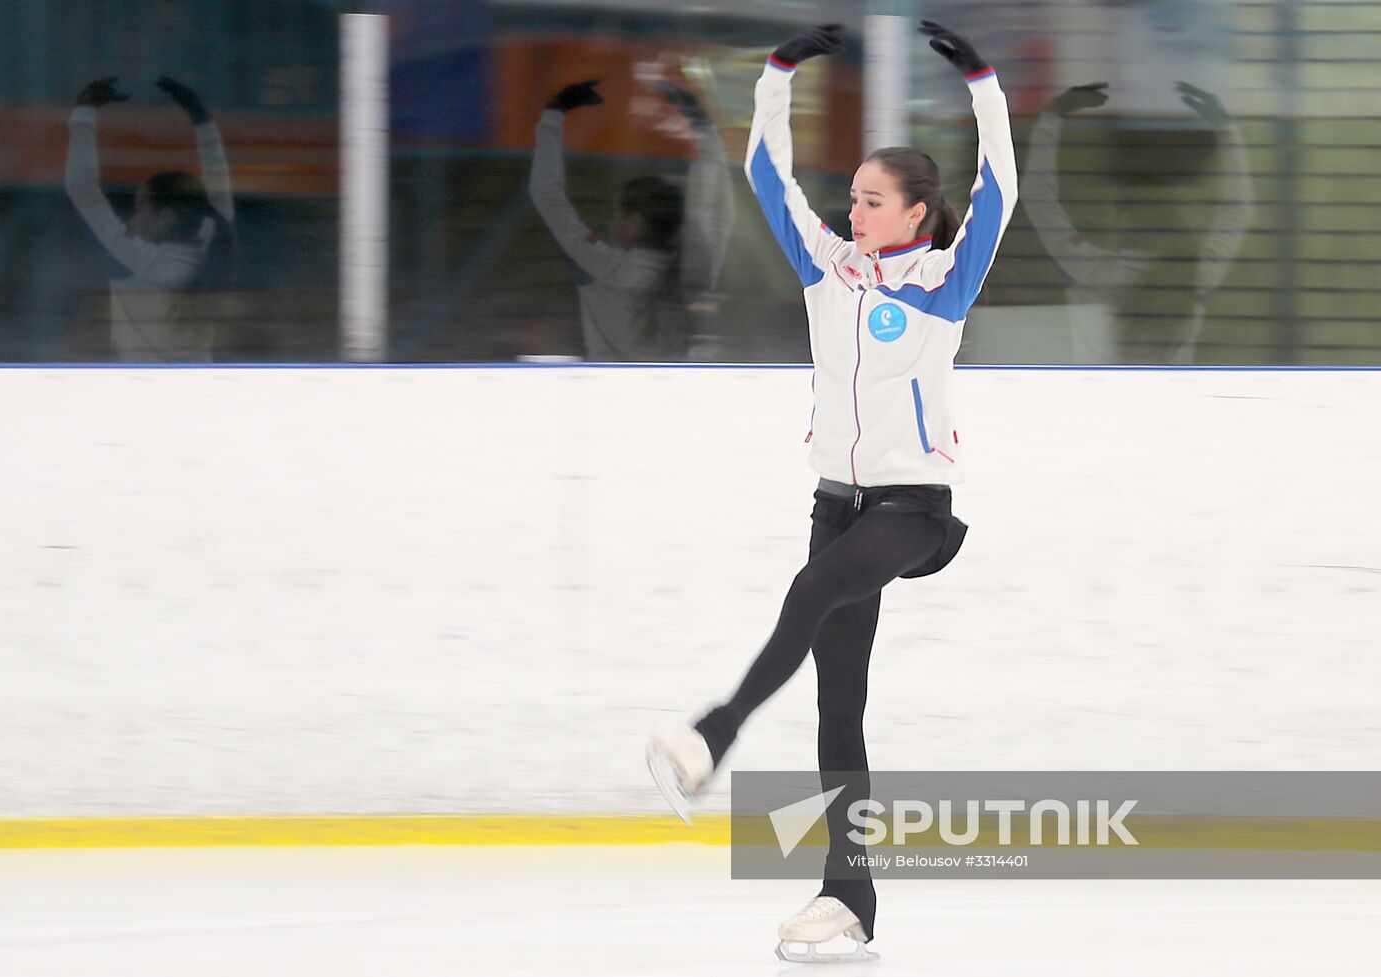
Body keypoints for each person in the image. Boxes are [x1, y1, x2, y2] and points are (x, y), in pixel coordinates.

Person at [645, 21, 1018, 963]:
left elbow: (1001, 189)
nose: (852, 212)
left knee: (812, 590)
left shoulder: (943, 281)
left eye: (871, 201)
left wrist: (980, 81)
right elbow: (765, 173)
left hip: (913, 507)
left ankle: (713, 734)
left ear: (916, 213)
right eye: (850, 197)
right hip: (837, 502)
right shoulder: (827, 268)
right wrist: (778, 72)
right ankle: (849, 898)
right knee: (837, 704)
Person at [1022, 81, 1253, 364]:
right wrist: (1226, 129)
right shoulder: (1195, 273)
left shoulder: (1092, 268)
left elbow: (1039, 199)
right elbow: (1237, 211)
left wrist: (1052, 116)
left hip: (1100, 392)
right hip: (1172, 393)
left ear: (1124, 222)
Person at [528, 77, 734, 361]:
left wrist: (555, 112)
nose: (612, 222)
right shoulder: (697, 269)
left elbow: (546, 195)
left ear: (635, 222)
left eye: (617, 214)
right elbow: (719, 210)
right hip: (677, 387)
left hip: (607, 387)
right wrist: (702, 125)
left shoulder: (600, 264)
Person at [65, 76, 237, 362]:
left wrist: (84, 110)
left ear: (166, 218)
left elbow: (81, 189)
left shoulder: (139, 260)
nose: (133, 218)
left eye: (140, 208)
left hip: (142, 386)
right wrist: (200, 118)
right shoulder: (211, 245)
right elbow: (218, 191)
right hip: (201, 382)